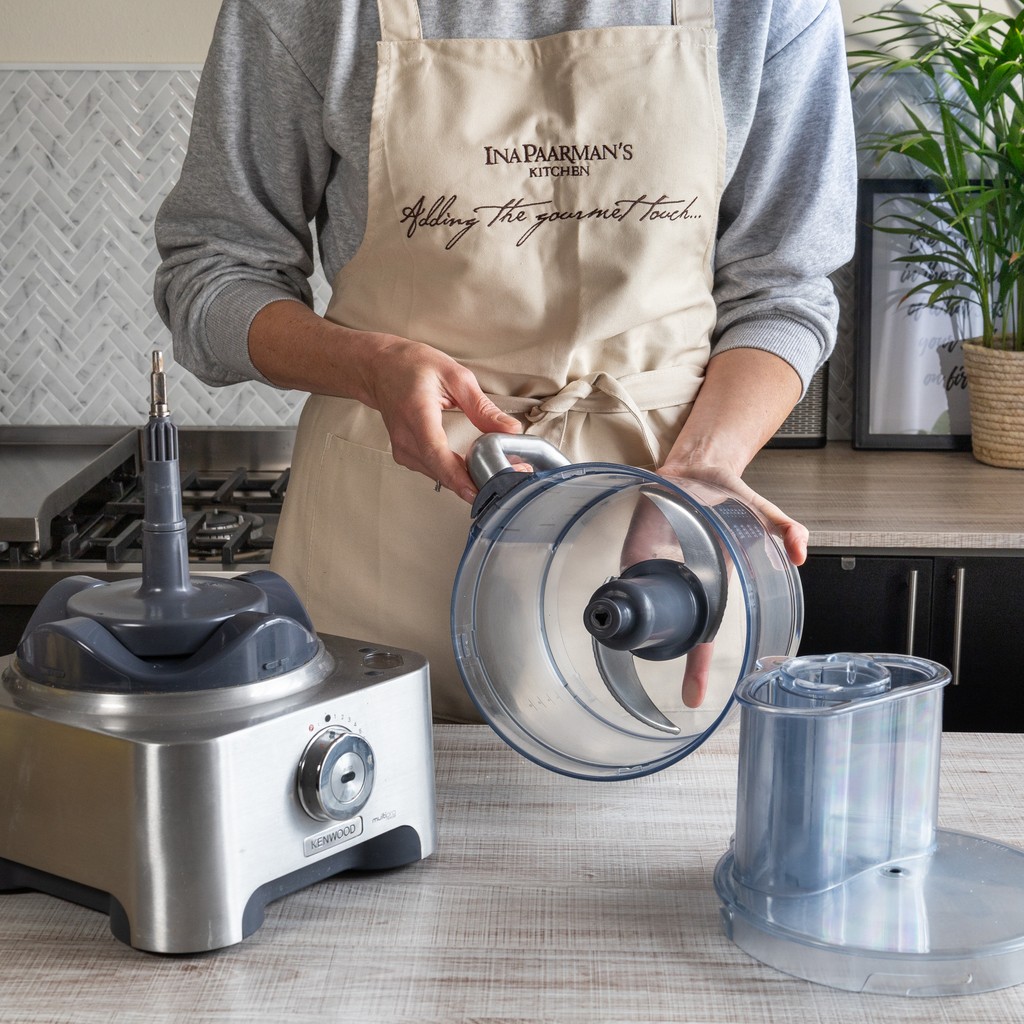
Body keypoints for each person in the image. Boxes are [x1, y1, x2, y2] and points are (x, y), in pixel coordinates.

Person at [154, 0, 858, 721]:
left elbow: (783, 288)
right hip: (381, 551)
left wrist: (706, 466)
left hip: (659, 555)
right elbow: (211, 272)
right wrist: (368, 365)